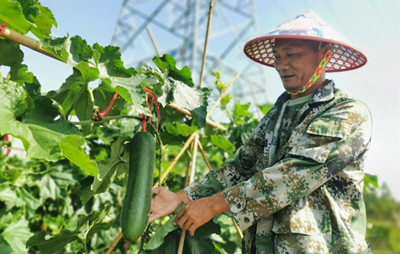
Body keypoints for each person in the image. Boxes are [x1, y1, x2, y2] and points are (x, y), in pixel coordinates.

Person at [149, 10, 372, 253]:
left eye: (292, 55)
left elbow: (292, 174)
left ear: (324, 53)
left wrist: (212, 205)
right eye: (277, 56)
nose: (281, 65)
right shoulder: (275, 115)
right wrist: (183, 197)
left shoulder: (347, 112)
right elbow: (241, 168)